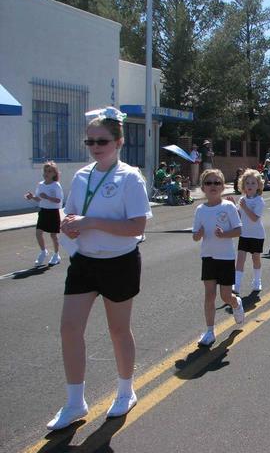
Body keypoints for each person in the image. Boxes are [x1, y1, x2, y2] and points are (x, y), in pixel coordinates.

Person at [46, 107, 151, 430]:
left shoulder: (130, 176)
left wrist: (91, 222)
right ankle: (75, 402)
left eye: (101, 140)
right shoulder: (81, 175)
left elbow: (136, 226)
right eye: (89, 140)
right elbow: (72, 212)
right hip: (84, 261)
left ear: (118, 141)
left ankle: (125, 390)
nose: (94, 146)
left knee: (118, 330)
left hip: (119, 263)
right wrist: (69, 224)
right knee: (69, 328)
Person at [192, 168, 245, 348]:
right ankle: (209, 331)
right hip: (208, 256)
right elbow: (195, 236)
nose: (213, 186)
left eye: (217, 183)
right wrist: (198, 234)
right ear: (203, 187)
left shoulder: (228, 207)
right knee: (209, 295)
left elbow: (238, 230)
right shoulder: (200, 209)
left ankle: (236, 303)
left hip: (226, 257)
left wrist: (224, 234)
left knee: (224, 296)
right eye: (208, 183)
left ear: (223, 187)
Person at [24, 161, 64, 266]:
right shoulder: (40, 185)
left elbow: (58, 200)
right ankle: (43, 252)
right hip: (43, 211)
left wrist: (47, 197)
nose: (47, 173)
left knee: (53, 235)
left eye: (49, 171)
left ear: (54, 174)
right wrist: (32, 197)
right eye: (45, 171)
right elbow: (38, 199)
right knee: (38, 233)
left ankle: (56, 255)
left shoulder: (56, 185)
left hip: (53, 212)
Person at [233, 169, 265, 295]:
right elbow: (238, 217)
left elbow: (254, 218)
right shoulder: (242, 199)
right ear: (243, 185)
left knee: (256, 259)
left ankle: (257, 281)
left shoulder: (259, 201)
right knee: (240, 259)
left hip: (257, 235)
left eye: (253, 183)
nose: (250, 185)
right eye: (247, 183)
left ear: (258, 186)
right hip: (244, 234)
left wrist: (245, 207)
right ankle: (237, 284)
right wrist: (233, 206)